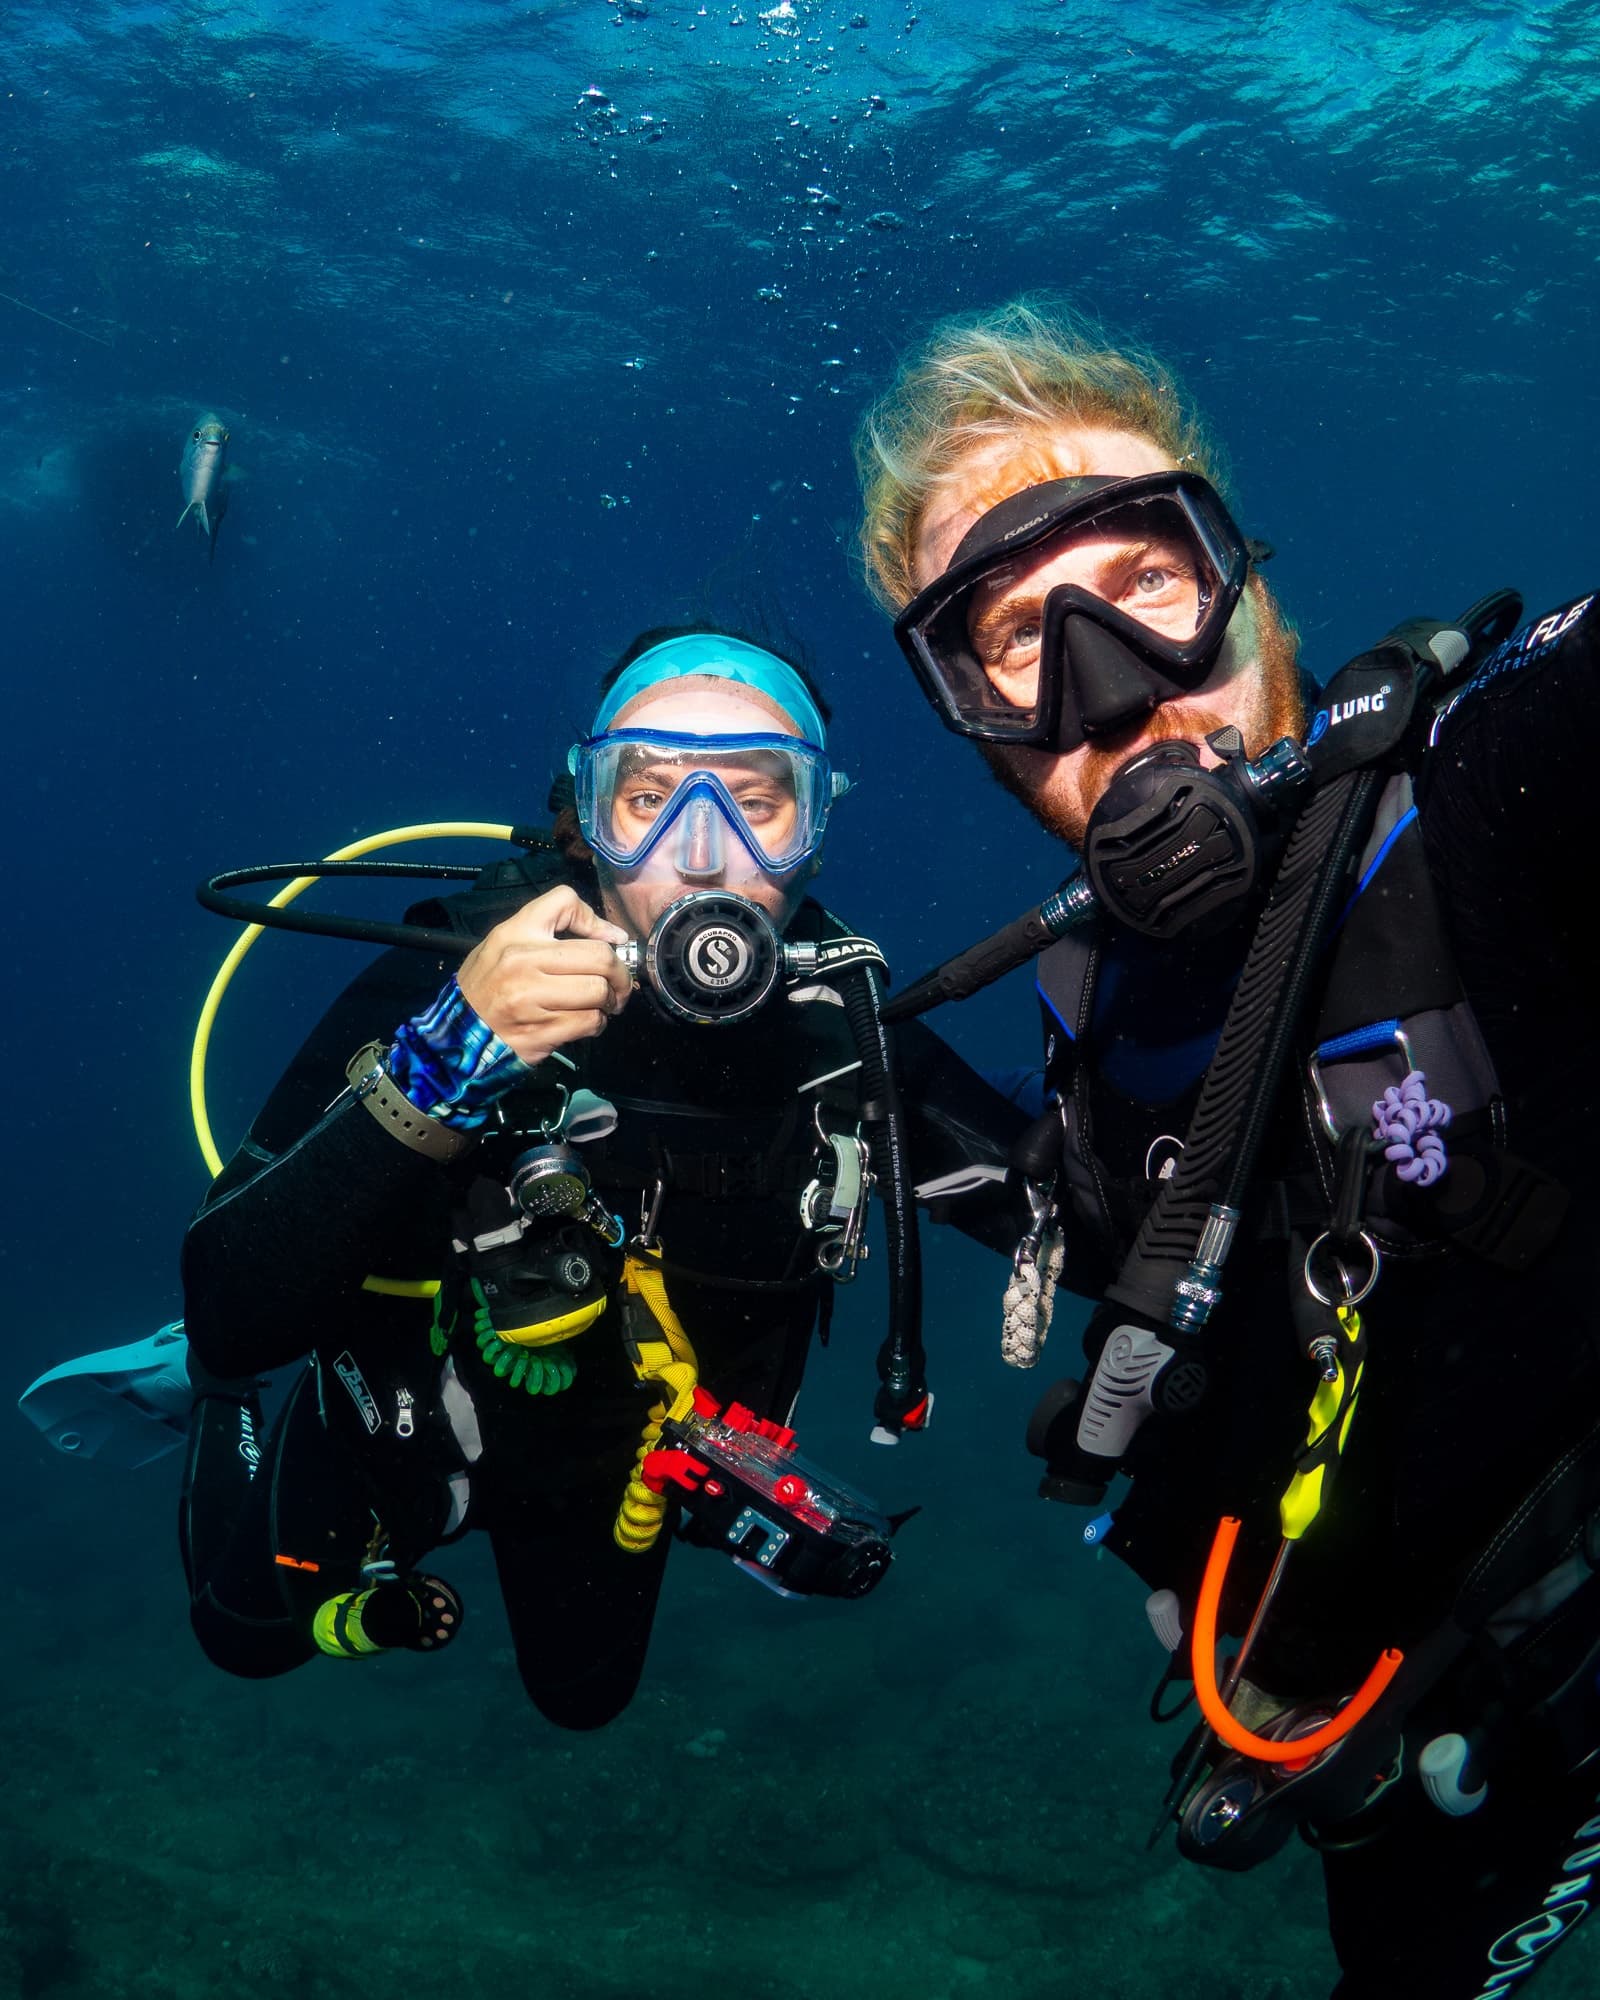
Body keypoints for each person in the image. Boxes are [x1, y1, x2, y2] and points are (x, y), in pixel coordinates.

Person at [853, 300, 1600, 1997]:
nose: (1110, 687)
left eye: (1145, 583)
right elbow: (1081, 1228)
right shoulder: (1086, 1011)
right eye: (1019, 640)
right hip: (1394, 1744)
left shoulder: (1485, 796)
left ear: (1248, 589)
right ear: (975, 724)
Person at [72, 627, 1024, 1730]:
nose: (701, 851)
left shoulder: (842, 1030)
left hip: (624, 1462)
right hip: (399, 1414)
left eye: (757, 801)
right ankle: (218, 1424)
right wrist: (446, 1059)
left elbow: (1072, 1222)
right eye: (650, 795)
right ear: (591, 816)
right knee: (243, 1638)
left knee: (583, 1698)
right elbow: (231, 1315)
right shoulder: (455, 975)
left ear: (812, 832)